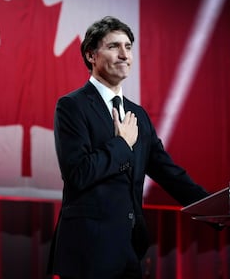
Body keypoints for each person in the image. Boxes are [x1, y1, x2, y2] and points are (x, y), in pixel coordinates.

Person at [48, 16, 209, 279]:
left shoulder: (138, 115)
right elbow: (78, 174)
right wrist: (121, 144)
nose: (125, 55)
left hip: (129, 250)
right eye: (114, 47)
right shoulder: (72, 106)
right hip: (88, 252)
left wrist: (213, 207)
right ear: (91, 55)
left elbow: (168, 172)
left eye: (129, 47)